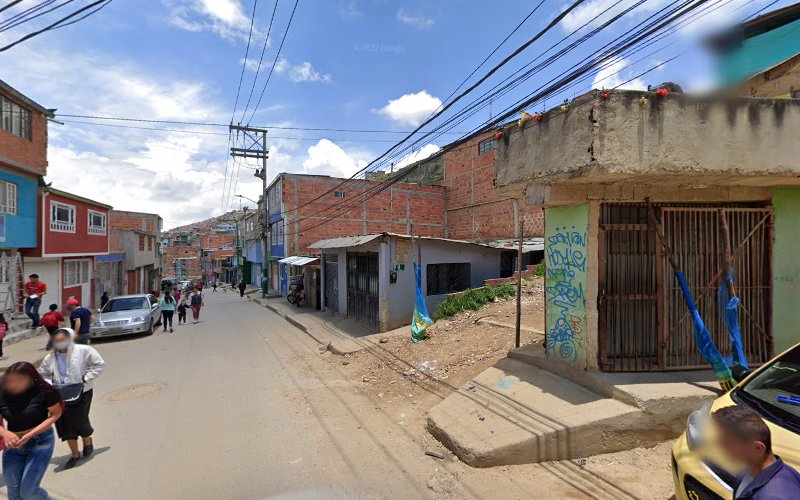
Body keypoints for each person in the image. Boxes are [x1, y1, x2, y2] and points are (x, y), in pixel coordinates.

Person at [38, 328, 105, 469]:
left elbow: (99, 364)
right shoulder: (49, 358)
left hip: (82, 391)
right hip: (59, 395)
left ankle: (87, 440)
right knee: (64, 424)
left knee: (80, 420)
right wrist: (51, 386)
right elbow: (42, 374)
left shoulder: (83, 350)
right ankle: (74, 453)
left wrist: (86, 378)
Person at [0, 362, 63, 499]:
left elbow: (55, 414)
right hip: (13, 444)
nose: (13, 385)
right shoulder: (2, 391)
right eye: (10, 381)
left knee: (29, 492)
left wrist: (30, 434)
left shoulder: (44, 390)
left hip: (39, 442)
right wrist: (5, 433)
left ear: (31, 379)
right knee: (14, 494)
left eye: (19, 381)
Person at [713, 405, 800, 499]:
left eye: (726, 441)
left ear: (757, 448)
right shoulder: (750, 468)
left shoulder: (771, 496)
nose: (719, 444)